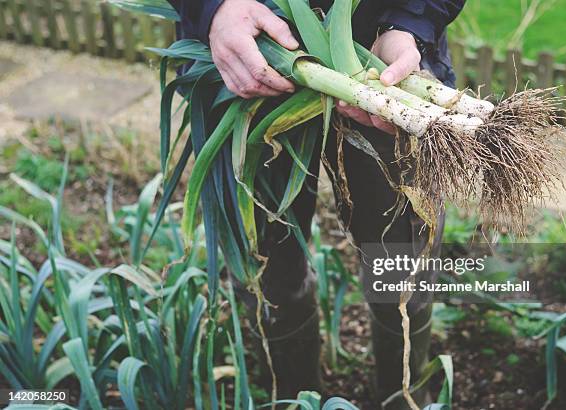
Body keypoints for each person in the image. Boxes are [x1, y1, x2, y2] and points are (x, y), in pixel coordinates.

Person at [167, 0, 464, 407]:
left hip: (387, 58)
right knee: (267, 270)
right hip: (247, 62)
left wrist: (411, 21)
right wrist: (211, 9)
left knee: (403, 262)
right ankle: (293, 398)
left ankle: (405, 398)